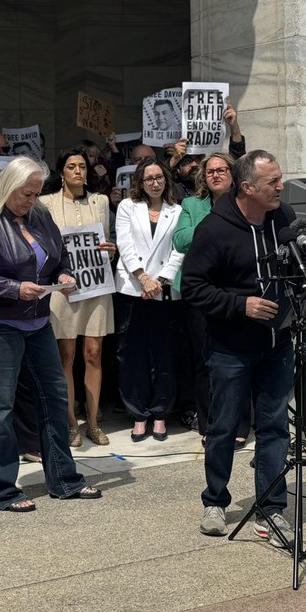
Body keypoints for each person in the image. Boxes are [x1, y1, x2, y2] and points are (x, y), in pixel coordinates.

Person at [0, 158, 102, 511]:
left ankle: (64, 480)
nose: (31, 200)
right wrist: (13, 289)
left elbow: (59, 257)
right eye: (26, 194)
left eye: (36, 194)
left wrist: (65, 276)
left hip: (36, 319)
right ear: (7, 186)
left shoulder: (38, 215)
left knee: (54, 396)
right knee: (1, 406)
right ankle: (4, 489)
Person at [181, 150, 294, 541]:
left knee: (276, 426)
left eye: (280, 179)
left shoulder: (284, 219)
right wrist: (239, 304)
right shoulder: (214, 229)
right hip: (230, 347)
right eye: (272, 182)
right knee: (224, 427)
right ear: (248, 188)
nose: (281, 187)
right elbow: (193, 287)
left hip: (278, 344)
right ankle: (215, 500)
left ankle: (272, 506)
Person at [39, 150, 116, 447]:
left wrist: (111, 251)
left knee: (94, 353)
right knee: (66, 355)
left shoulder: (100, 201)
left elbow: (107, 238)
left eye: (82, 166)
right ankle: (71, 423)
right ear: (61, 172)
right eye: (71, 166)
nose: (78, 171)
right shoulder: (46, 203)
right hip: (65, 287)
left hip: (95, 284)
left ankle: (94, 423)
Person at [114, 158, 184, 443]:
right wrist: (144, 279)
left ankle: (160, 413)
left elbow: (179, 250)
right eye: (149, 179)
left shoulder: (177, 211)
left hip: (164, 291)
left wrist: (161, 280)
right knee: (132, 354)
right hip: (133, 288)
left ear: (166, 180)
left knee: (164, 353)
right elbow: (125, 244)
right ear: (140, 183)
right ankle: (138, 414)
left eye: (159, 178)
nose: (155, 183)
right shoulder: (127, 207)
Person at [171, 152, 238, 438]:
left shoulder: (244, 204)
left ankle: (238, 424)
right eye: (210, 171)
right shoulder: (192, 204)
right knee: (203, 359)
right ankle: (209, 424)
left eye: (222, 169)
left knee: (237, 358)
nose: (216, 175)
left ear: (233, 174)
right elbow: (181, 239)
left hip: (236, 289)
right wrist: (216, 223)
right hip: (200, 292)